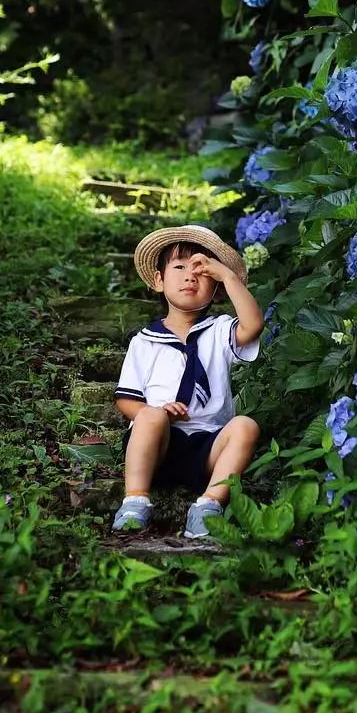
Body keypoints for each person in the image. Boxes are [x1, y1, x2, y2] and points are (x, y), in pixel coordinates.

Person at [111, 224, 263, 539]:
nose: (189, 276)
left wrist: (229, 276)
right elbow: (125, 399)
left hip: (208, 450)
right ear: (158, 280)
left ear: (216, 288)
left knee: (246, 426)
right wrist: (158, 412)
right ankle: (135, 501)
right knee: (148, 414)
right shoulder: (145, 341)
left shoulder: (220, 331)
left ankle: (208, 505)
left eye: (202, 271)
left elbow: (253, 325)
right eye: (179, 267)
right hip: (157, 445)